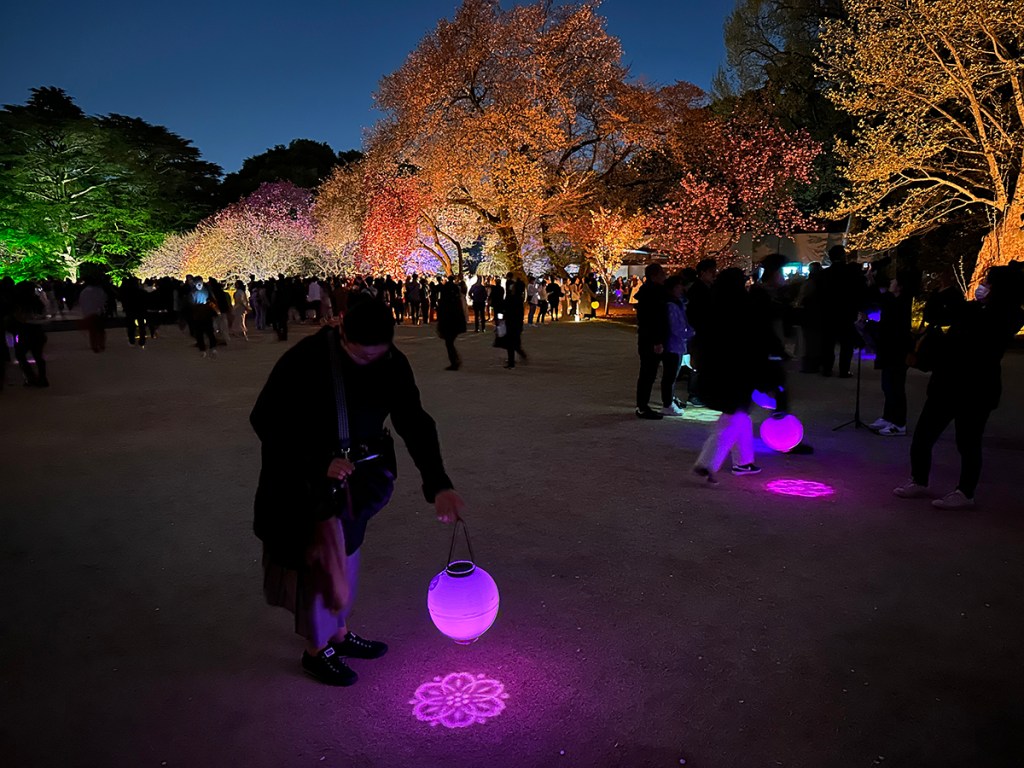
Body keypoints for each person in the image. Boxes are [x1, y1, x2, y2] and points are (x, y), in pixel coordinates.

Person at [251, 299, 466, 687]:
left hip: (357, 481)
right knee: (320, 566)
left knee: (346, 555)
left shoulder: (391, 362)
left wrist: (438, 483)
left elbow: (413, 421)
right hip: (306, 483)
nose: (368, 361)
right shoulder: (306, 359)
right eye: (360, 353)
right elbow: (266, 419)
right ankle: (317, 651)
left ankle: (338, 633)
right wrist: (318, 461)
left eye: (376, 354)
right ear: (342, 333)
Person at [893, 263, 1024, 509]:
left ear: (1000, 288)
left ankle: (965, 492)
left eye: (988, 282)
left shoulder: (1005, 316)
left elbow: (965, 334)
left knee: (968, 442)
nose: (982, 286)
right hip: (948, 382)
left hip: (975, 388)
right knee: (924, 435)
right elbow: (940, 317)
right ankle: (919, 479)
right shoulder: (979, 310)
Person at [692, 268, 763, 482]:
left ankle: (744, 462)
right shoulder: (743, 305)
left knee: (739, 415)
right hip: (737, 370)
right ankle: (708, 462)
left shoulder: (713, 304)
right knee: (734, 415)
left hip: (716, 369)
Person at [866, 267, 916, 436]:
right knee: (888, 385)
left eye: (894, 281)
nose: (891, 283)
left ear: (900, 286)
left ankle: (899, 423)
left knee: (895, 387)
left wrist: (873, 283)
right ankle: (889, 417)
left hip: (897, 350)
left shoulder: (900, 302)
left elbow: (883, 300)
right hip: (890, 349)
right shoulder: (894, 301)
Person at [633, 263, 669, 420]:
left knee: (649, 373)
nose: (664, 277)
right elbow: (651, 320)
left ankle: (643, 405)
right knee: (648, 373)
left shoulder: (651, 292)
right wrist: (657, 341)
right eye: (662, 274)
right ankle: (642, 406)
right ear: (654, 276)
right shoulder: (651, 294)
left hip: (649, 339)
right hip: (650, 340)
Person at [661, 274, 694, 416]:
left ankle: (669, 401)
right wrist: (690, 333)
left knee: (671, 376)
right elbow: (676, 327)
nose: (682, 288)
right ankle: (667, 404)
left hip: (676, 345)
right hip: (673, 345)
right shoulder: (672, 305)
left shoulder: (677, 303)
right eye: (680, 286)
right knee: (670, 376)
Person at [436, 275, 467, 370]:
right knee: (450, 342)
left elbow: (442, 307)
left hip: (448, 321)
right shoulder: (456, 294)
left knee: (449, 343)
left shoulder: (446, 295)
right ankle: (455, 360)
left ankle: (455, 361)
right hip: (455, 321)